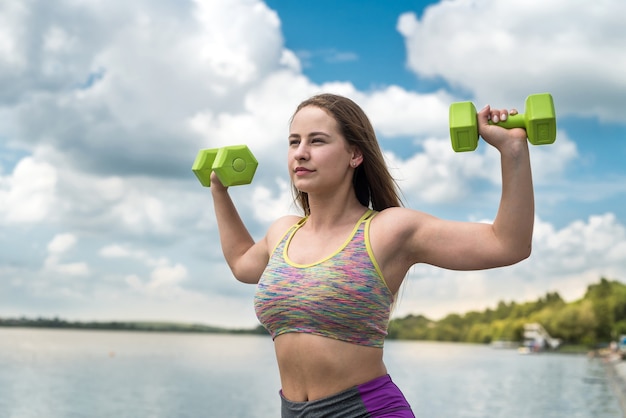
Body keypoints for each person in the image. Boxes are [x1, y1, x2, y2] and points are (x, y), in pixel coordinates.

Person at [209, 93, 534, 417]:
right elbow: (241, 262)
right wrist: (219, 191)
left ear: (355, 155)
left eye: (317, 141)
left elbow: (507, 244)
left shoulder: (388, 230)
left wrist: (513, 150)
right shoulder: (282, 232)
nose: (301, 153)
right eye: (294, 142)